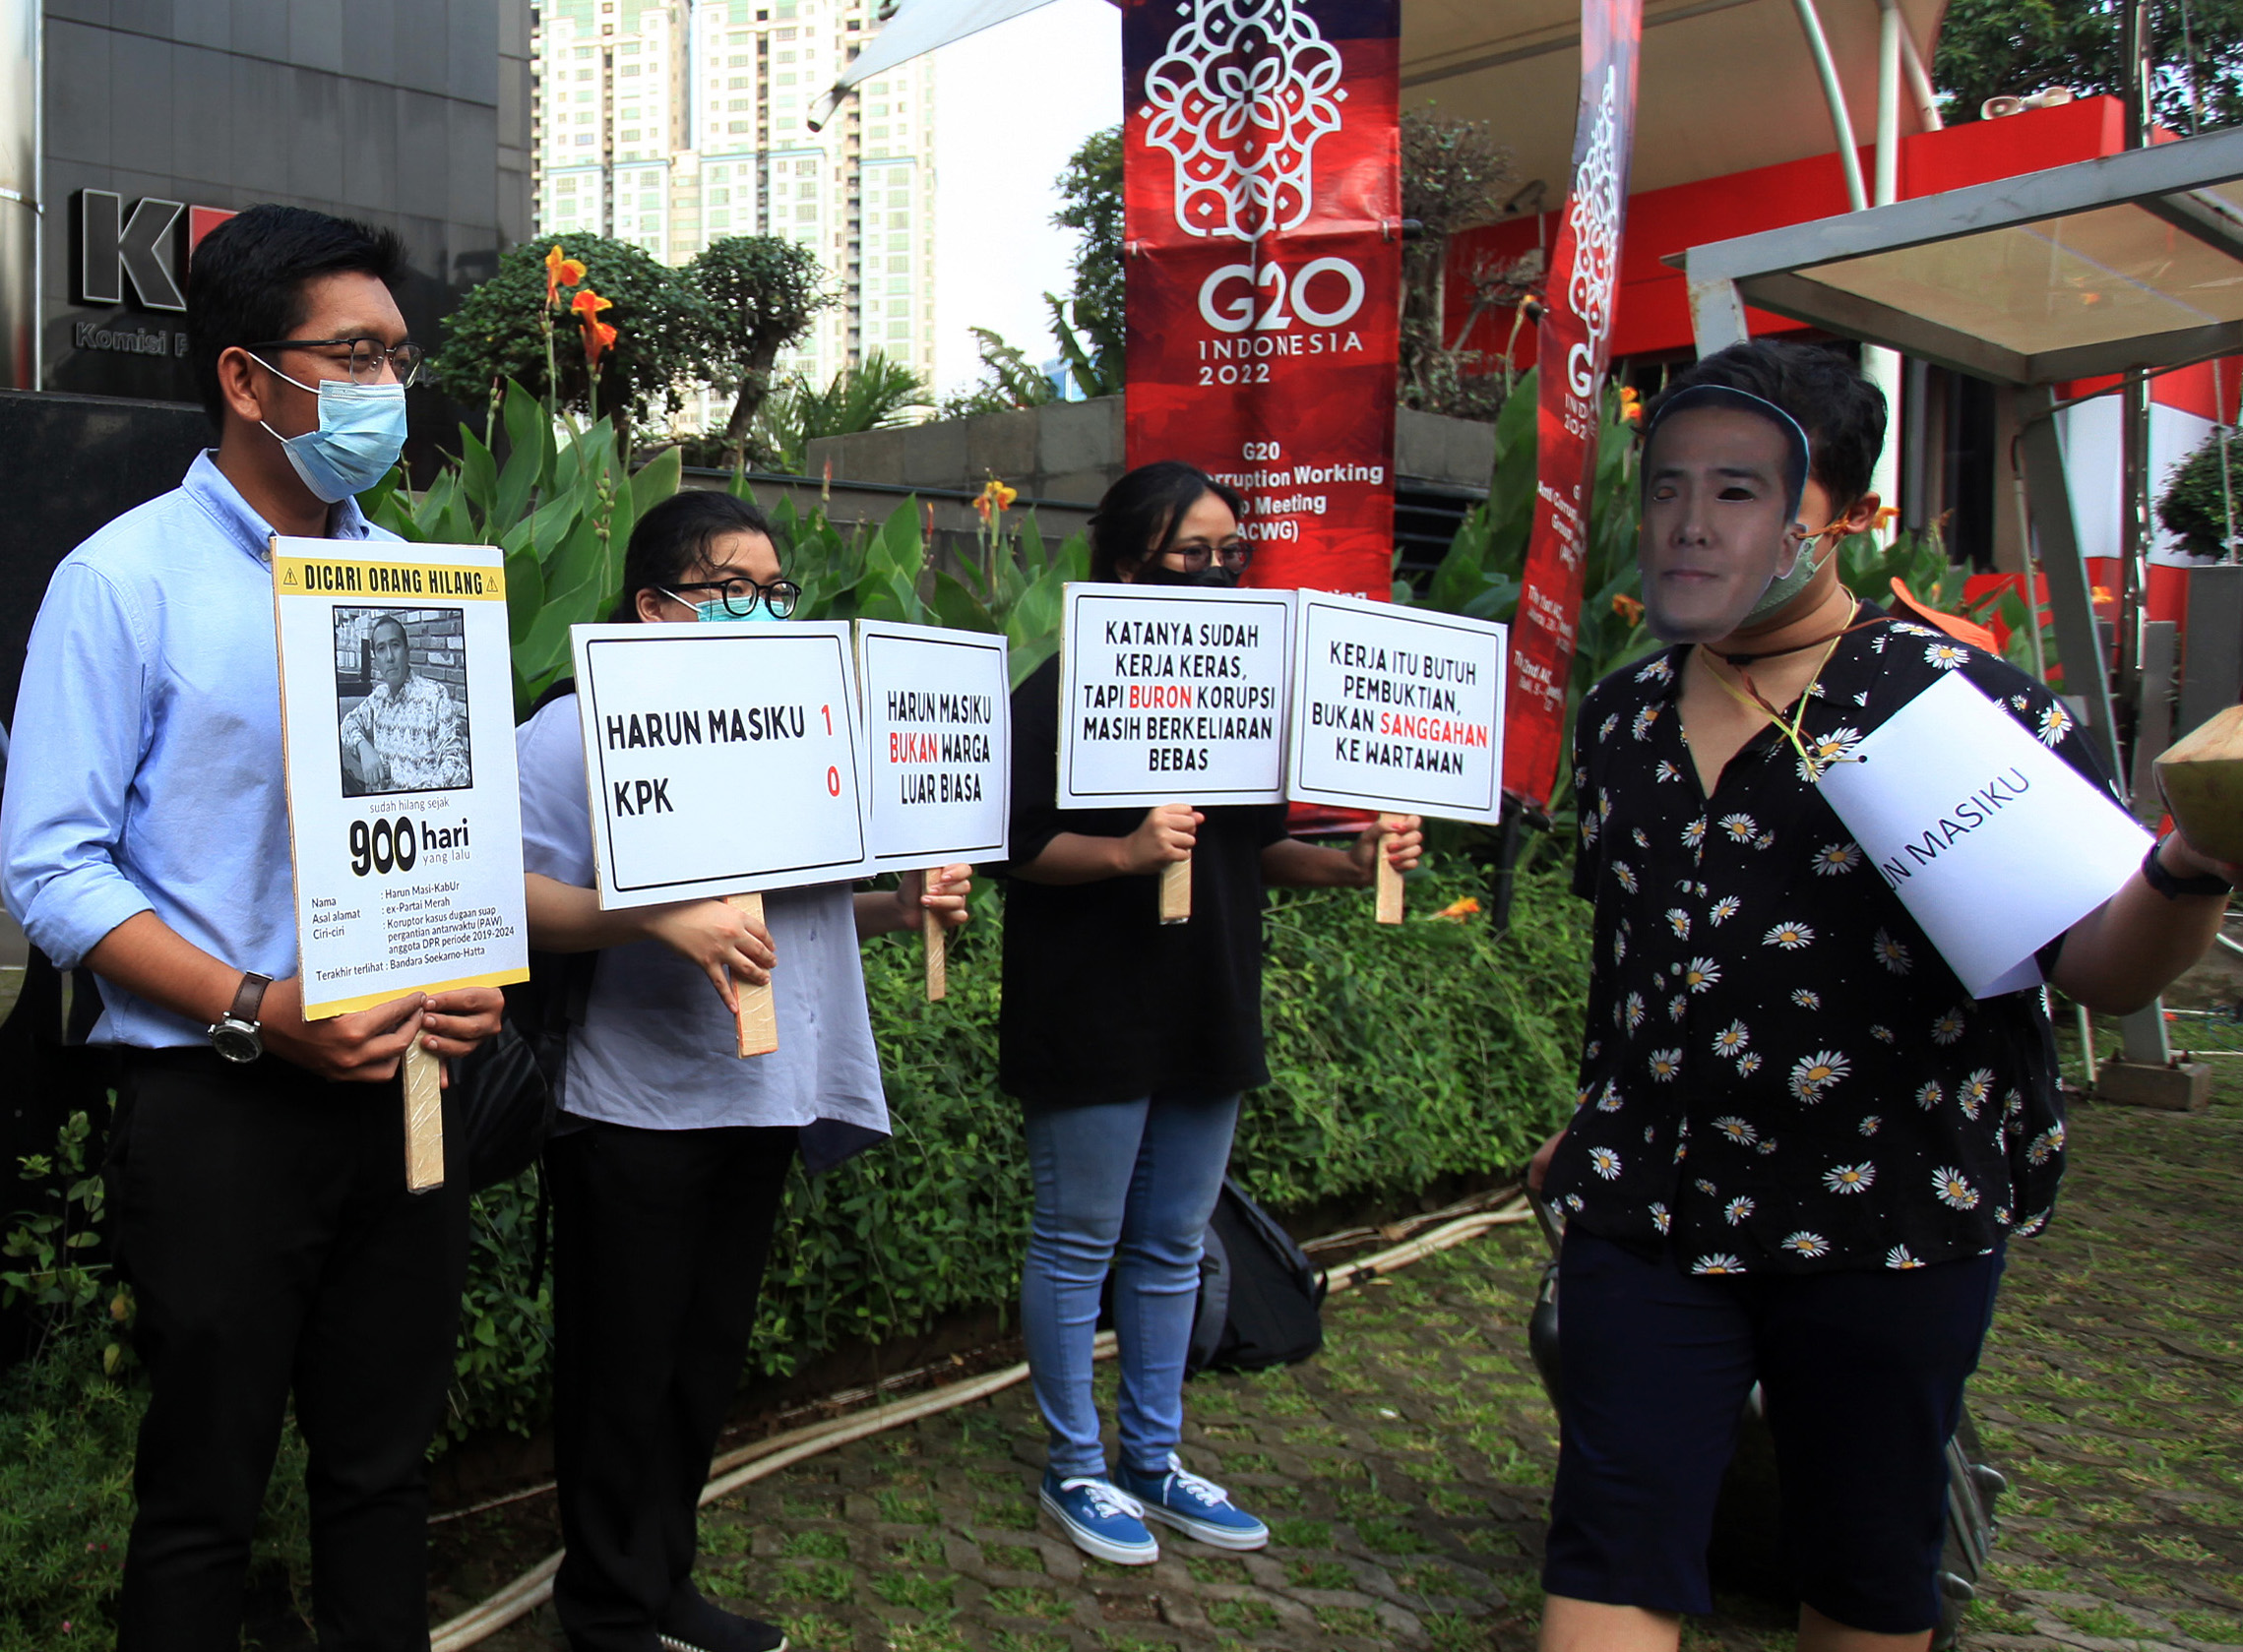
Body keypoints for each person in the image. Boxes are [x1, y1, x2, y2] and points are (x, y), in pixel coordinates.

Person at [1532, 341, 2234, 1652]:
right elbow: (1635, 962)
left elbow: (2095, 962)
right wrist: (1593, 1117)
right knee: (1608, 1540)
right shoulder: (1620, 718)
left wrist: (2191, 860)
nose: (1690, 521)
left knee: (1861, 1567)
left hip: (1887, 1219)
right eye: (1668, 485)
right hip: (1646, 1211)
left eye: (1738, 490)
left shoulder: (1959, 711)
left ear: (1844, 512)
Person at [0, 204, 505, 1649]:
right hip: (219, 1098)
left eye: (397, 356)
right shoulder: (123, 580)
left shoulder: (410, 578)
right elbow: (53, 869)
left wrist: (467, 974)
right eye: (353, 355)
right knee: (203, 1495)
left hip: (409, 1085)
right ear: (244, 376)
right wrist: (254, 1008)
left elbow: (443, 832)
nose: (385, 386)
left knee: (384, 1473)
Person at [515, 488, 973, 1652]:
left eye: (775, 592)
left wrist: (901, 903)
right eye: (730, 590)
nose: (761, 611)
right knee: (621, 1368)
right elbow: (496, 897)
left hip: (762, 1092)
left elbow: (798, 916)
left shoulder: (808, 732)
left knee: (701, 1358)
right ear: (652, 605)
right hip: (633, 1104)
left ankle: (663, 1579)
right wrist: (649, 914)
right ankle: (604, 1608)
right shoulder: (573, 729)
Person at [1000, 459, 1425, 1565]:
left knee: (1173, 1242)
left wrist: (1353, 861)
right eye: (1191, 551)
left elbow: (1254, 846)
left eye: (1230, 552)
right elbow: (1011, 845)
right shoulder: (1056, 689)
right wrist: (1125, 853)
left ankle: (1152, 1456)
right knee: (1078, 1241)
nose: (1216, 570)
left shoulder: (1243, 691)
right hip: (1090, 1003)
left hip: (1208, 1000)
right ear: (1126, 561)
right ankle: (1074, 1464)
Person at [342, 612, 468, 793]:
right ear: (376, 661)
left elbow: (458, 772)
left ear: (407, 653)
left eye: (395, 645)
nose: (389, 657)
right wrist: (363, 747)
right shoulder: (378, 698)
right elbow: (347, 724)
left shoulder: (434, 696)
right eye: (381, 649)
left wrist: (396, 779)